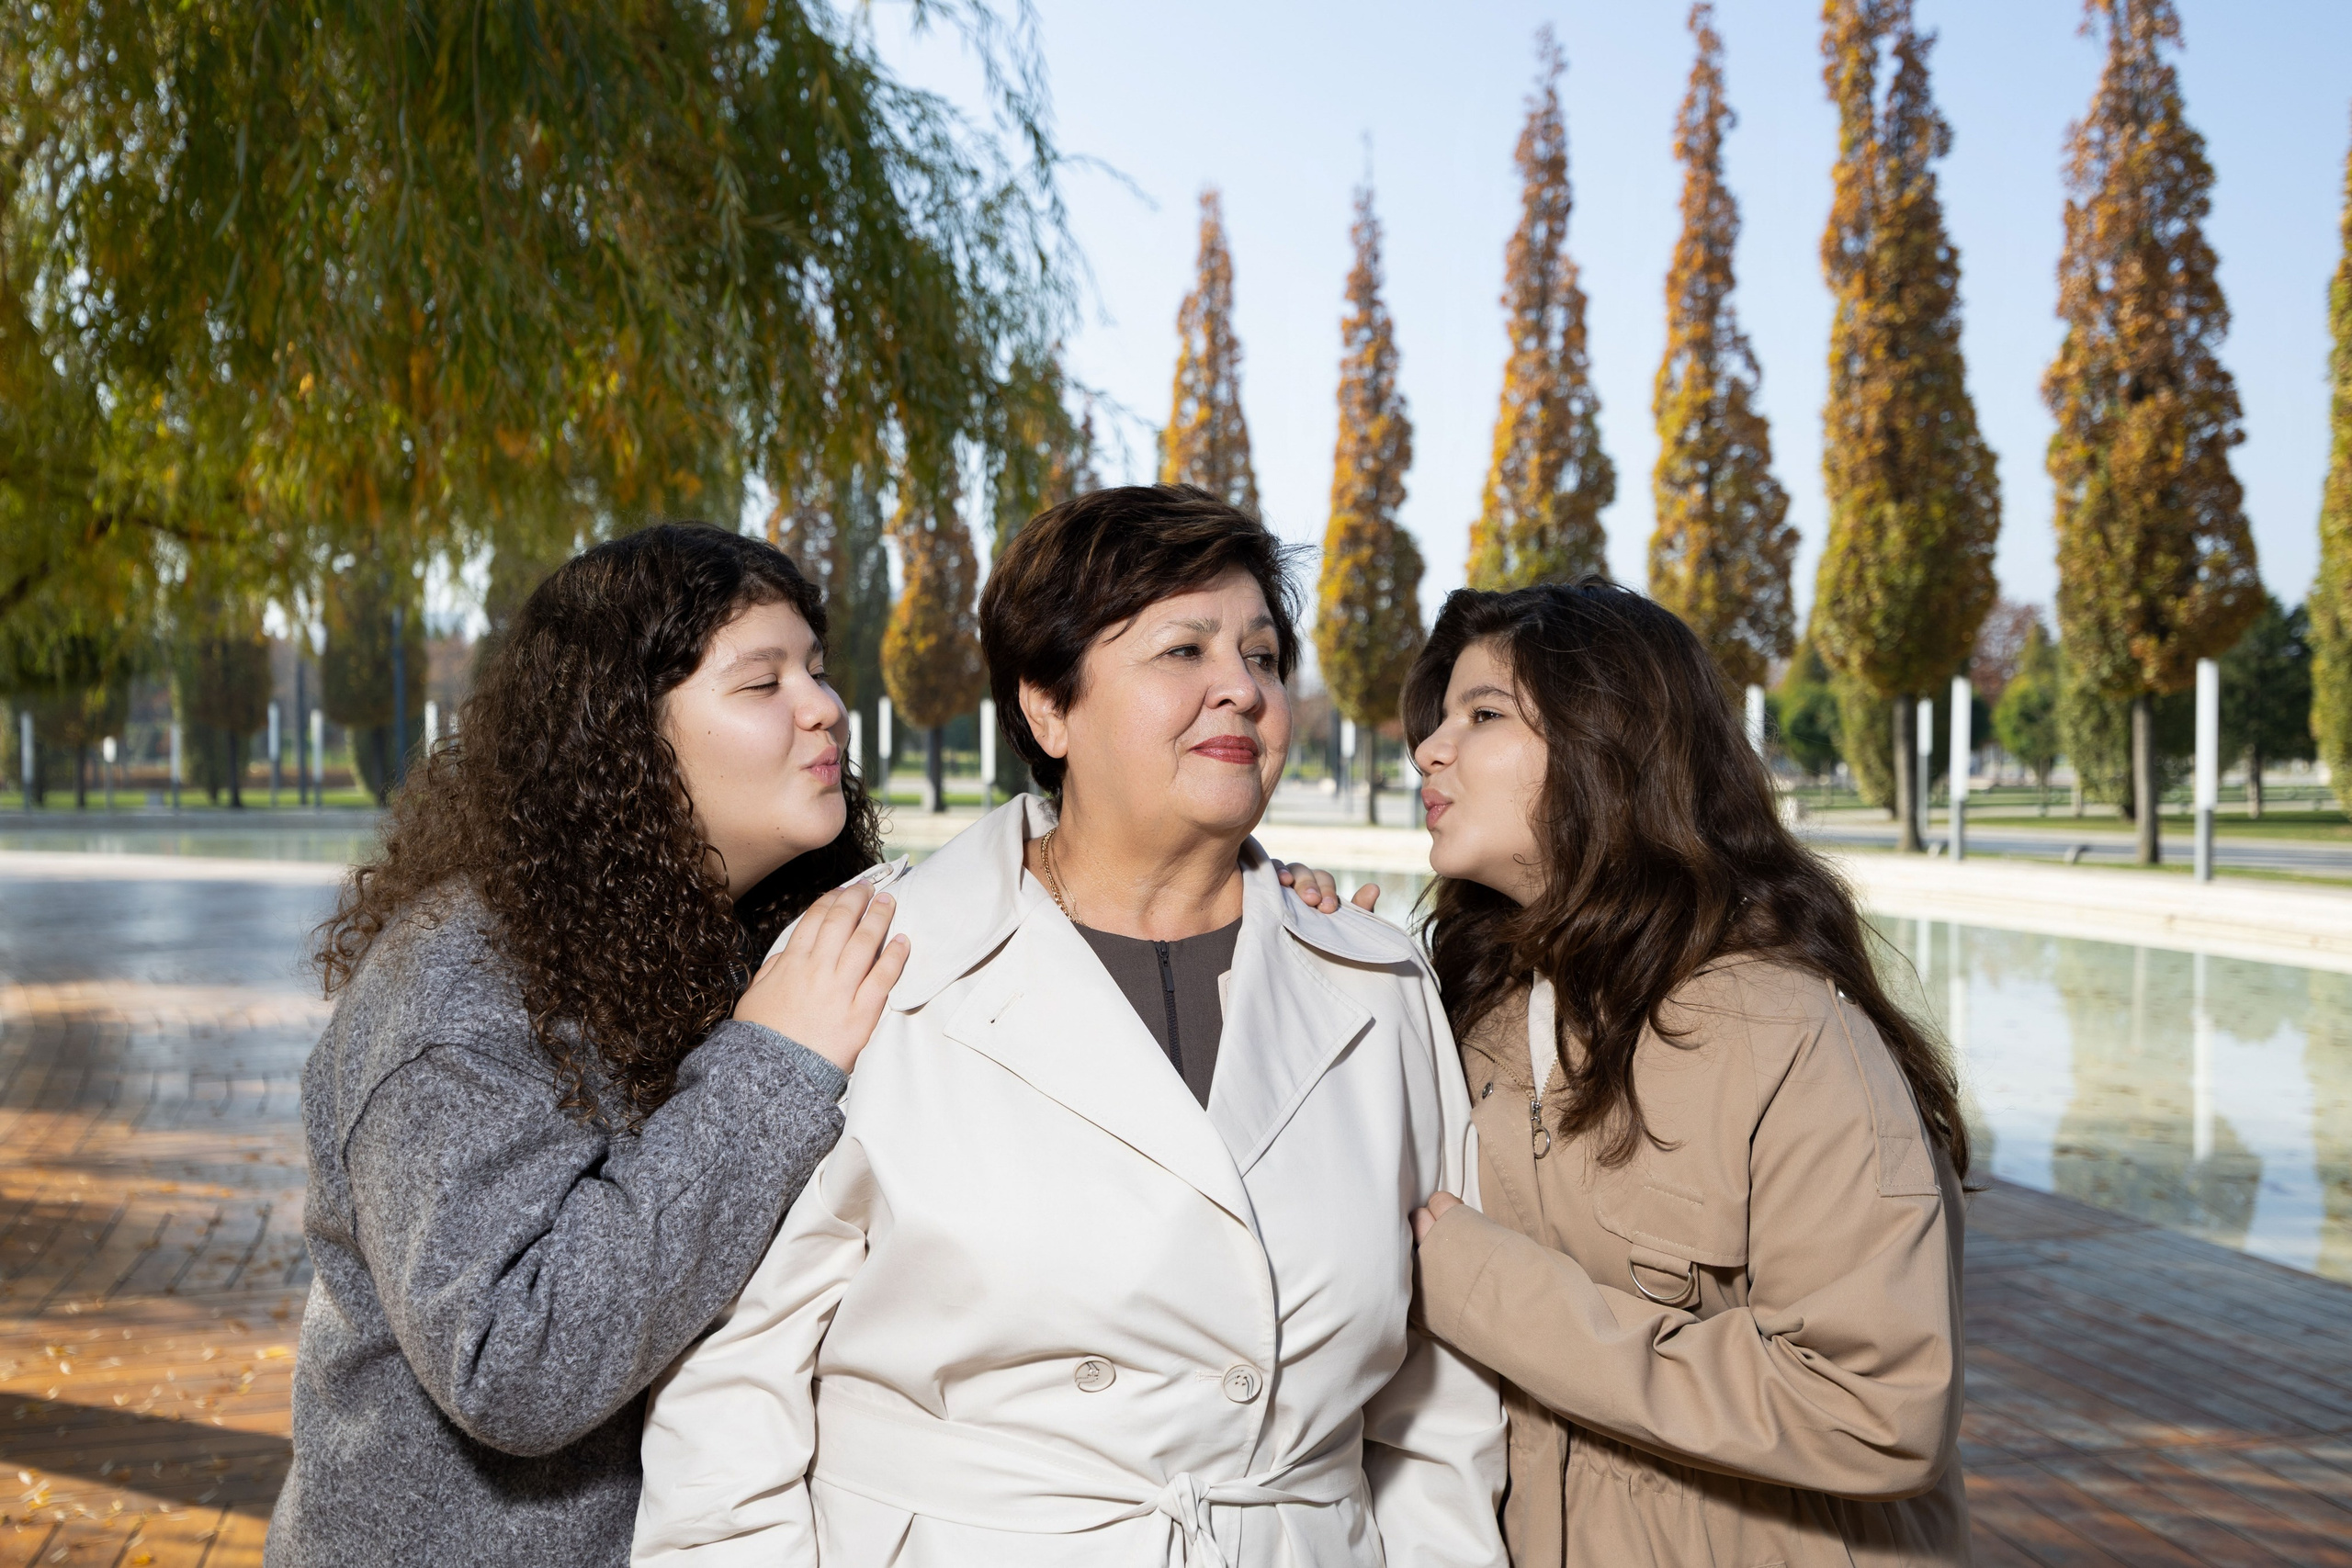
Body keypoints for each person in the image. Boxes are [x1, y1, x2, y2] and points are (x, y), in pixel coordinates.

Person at [633, 486, 1507, 1567]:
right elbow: (733, 1393)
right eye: (1182, 651)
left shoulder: (1375, 981)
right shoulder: (869, 961)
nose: (1240, 689)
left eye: (1265, 656)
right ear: (1047, 706)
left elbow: (1437, 1413)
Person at [270, 525, 910, 1566]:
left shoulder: (761, 939)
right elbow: (514, 1359)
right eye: (762, 683)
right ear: (624, 740)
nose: (824, 705)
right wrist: (771, 1067)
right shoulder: (456, 988)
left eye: (818, 670)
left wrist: (1256, 907)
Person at [1402, 582, 1973, 1568]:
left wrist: (1483, 1287)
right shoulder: (1470, 1013)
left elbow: (1878, 1407)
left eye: (1483, 715)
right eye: (1439, 720)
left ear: (1606, 748)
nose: (1429, 750)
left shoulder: (1785, 1032)